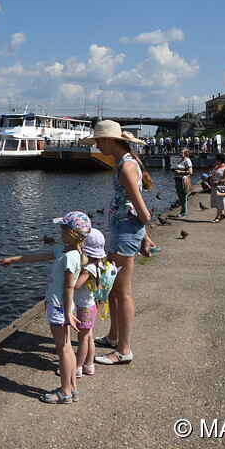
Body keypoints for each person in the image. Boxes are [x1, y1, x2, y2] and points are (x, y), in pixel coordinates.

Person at [0, 211, 91, 404]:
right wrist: (13, 259)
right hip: (61, 307)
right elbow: (38, 257)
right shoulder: (69, 252)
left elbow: (69, 286)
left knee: (63, 349)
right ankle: (72, 388)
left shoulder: (69, 257)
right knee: (67, 349)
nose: (60, 230)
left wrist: (67, 313)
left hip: (59, 308)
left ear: (71, 233)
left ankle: (64, 391)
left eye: (63, 227)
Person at [80, 120, 153, 365]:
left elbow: (143, 212)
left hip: (125, 232)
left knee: (123, 292)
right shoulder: (123, 163)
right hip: (122, 230)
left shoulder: (126, 168)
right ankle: (113, 336)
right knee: (111, 286)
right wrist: (142, 235)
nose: (97, 145)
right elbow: (132, 205)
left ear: (110, 140)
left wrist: (141, 233)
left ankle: (124, 349)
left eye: (99, 141)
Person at [68, 229, 108, 379]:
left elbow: (77, 285)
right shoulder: (98, 264)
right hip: (90, 305)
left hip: (85, 307)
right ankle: (89, 365)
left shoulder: (89, 268)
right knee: (89, 337)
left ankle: (77, 367)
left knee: (82, 339)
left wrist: (69, 278)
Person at [172, 148, 193, 217]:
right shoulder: (180, 160)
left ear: (185, 153)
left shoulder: (187, 161)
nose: (180, 154)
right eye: (179, 152)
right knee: (180, 196)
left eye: (181, 153)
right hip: (177, 179)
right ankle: (182, 211)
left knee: (183, 196)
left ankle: (184, 212)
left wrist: (180, 172)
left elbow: (190, 172)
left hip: (183, 180)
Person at [210, 153, 225, 223]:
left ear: (220, 160)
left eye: (216, 159)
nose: (215, 160)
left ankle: (218, 217)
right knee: (216, 201)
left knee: (220, 202)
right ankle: (223, 214)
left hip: (222, 187)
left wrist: (217, 182)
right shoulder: (216, 167)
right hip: (215, 187)